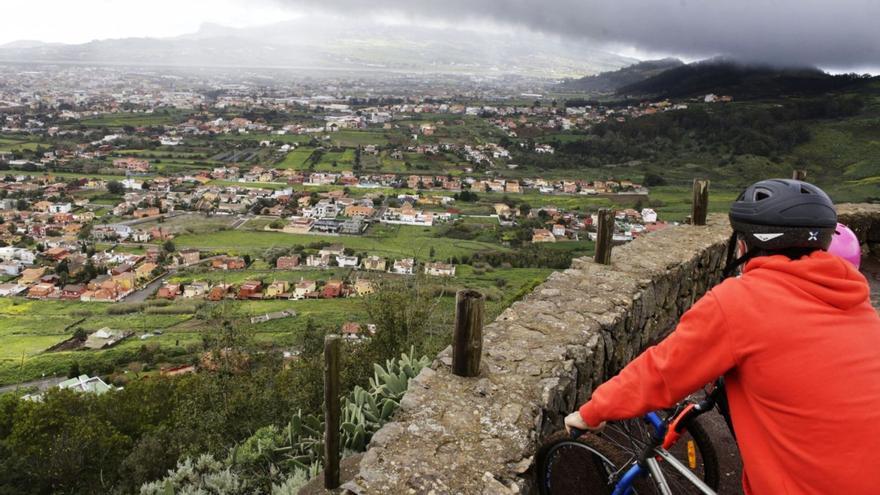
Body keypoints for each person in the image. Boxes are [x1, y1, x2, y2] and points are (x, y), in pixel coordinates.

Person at [565, 179, 880, 494]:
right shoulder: (857, 301)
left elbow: (661, 371)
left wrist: (593, 411)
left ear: (744, 244)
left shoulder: (741, 302)